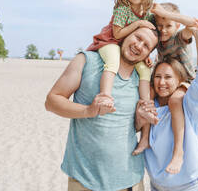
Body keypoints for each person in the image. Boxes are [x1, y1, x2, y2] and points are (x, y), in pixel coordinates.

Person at [45, 26, 158, 191]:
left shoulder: (141, 80)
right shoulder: (87, 60)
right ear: (126, 33)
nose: (139, 46)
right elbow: (51, 101)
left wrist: (140, 119)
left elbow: (130, 127)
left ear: (149, 54)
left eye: (146, 46)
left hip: (130, 179)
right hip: (84, 179)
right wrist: (88, 111)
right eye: (137, 37)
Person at [86, 0, 156, 155]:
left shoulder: (147, 13)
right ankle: (106, 95)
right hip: (111, 42)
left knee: (145, 71)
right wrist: (138, 24)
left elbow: (146, 37)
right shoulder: (123, 9)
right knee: (113, 63)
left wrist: (145, 54)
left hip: (131, 50)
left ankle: (145, 106)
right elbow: (117, 34)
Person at [136, 23, 198, 190]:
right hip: (156, 186)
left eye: (168, 77)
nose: (162, 82)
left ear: (180, 81)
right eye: (157, 76)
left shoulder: (187, 105)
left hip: (188, 186)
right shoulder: (149, 102)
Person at [134, 2, 198, 176]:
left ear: (176, 25)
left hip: (186, 80)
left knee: (175, 100)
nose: (163, 30)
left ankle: (178, 152)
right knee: (147, 92)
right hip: (168, 79)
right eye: (160, 25)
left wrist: (167, 14)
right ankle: (145, 137)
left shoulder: (179, 37)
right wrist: (148, 56)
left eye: (168, 26)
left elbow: (193, 24)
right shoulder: (159, 42)